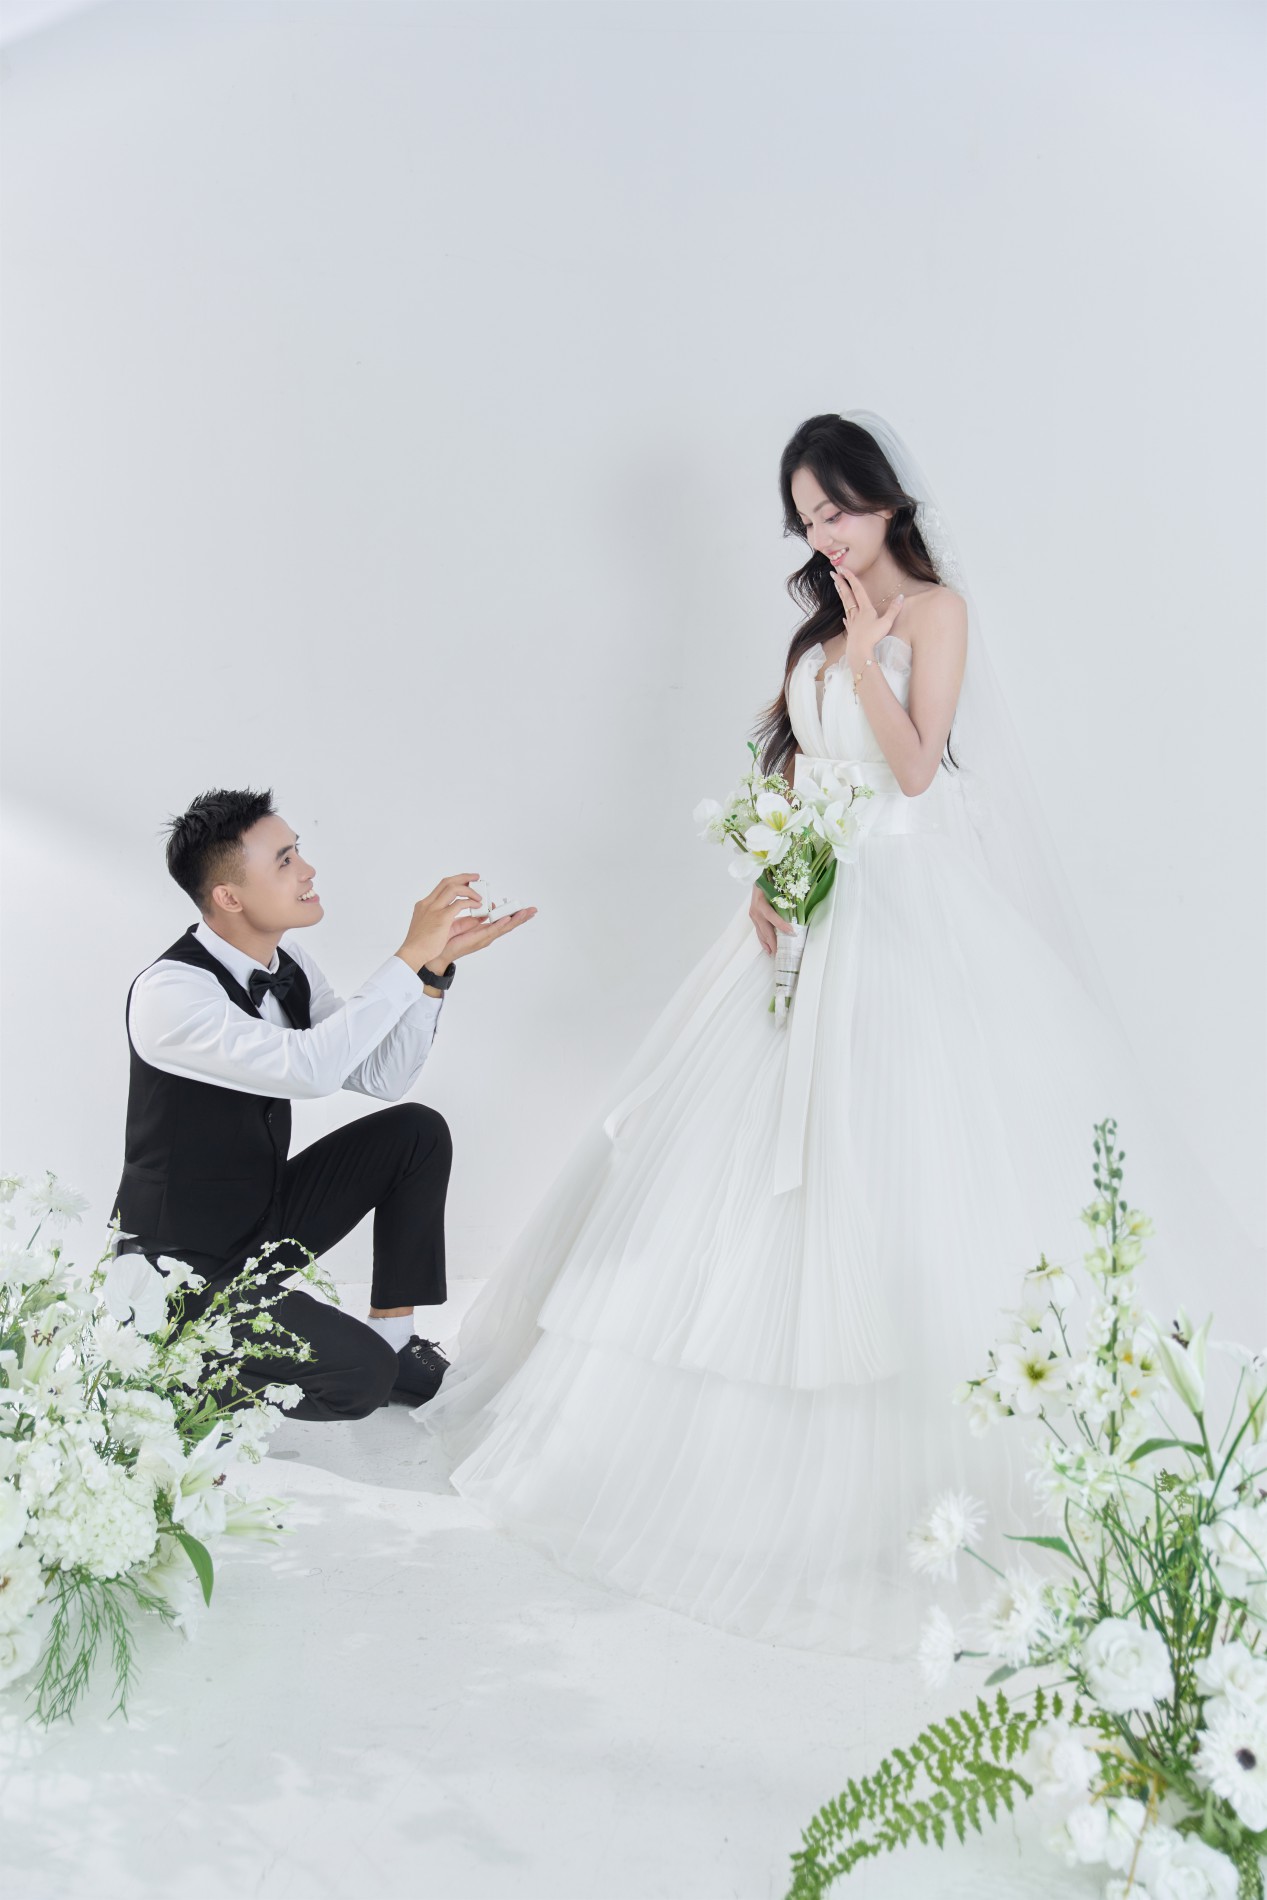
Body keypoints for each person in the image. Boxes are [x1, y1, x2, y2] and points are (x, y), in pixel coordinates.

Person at [418, 411, 1262, 1657]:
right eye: (807, 520)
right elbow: (802, 771)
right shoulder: (816, 631)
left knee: (897, 1152)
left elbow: (914, 773)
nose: (825, 536)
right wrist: (769, 871)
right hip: (808, 903)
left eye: (839, 511)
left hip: (906, 910)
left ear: (885, 502)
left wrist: (869, 652)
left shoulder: (931, 612)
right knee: (731, 1155)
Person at [112, 786, 534, 1421]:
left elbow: (379, 1076)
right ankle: (175, 1372)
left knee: (415, 1132)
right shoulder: (170, 993)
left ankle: (397, 1341)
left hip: (260, 1222)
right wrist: (407, 956)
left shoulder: (290, 965)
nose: (307, 870)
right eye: (284, 861)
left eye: (298, 852)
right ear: (229, 897)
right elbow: (310, 1070)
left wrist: (432, 972)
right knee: (358, 1378)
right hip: (179, 1270)